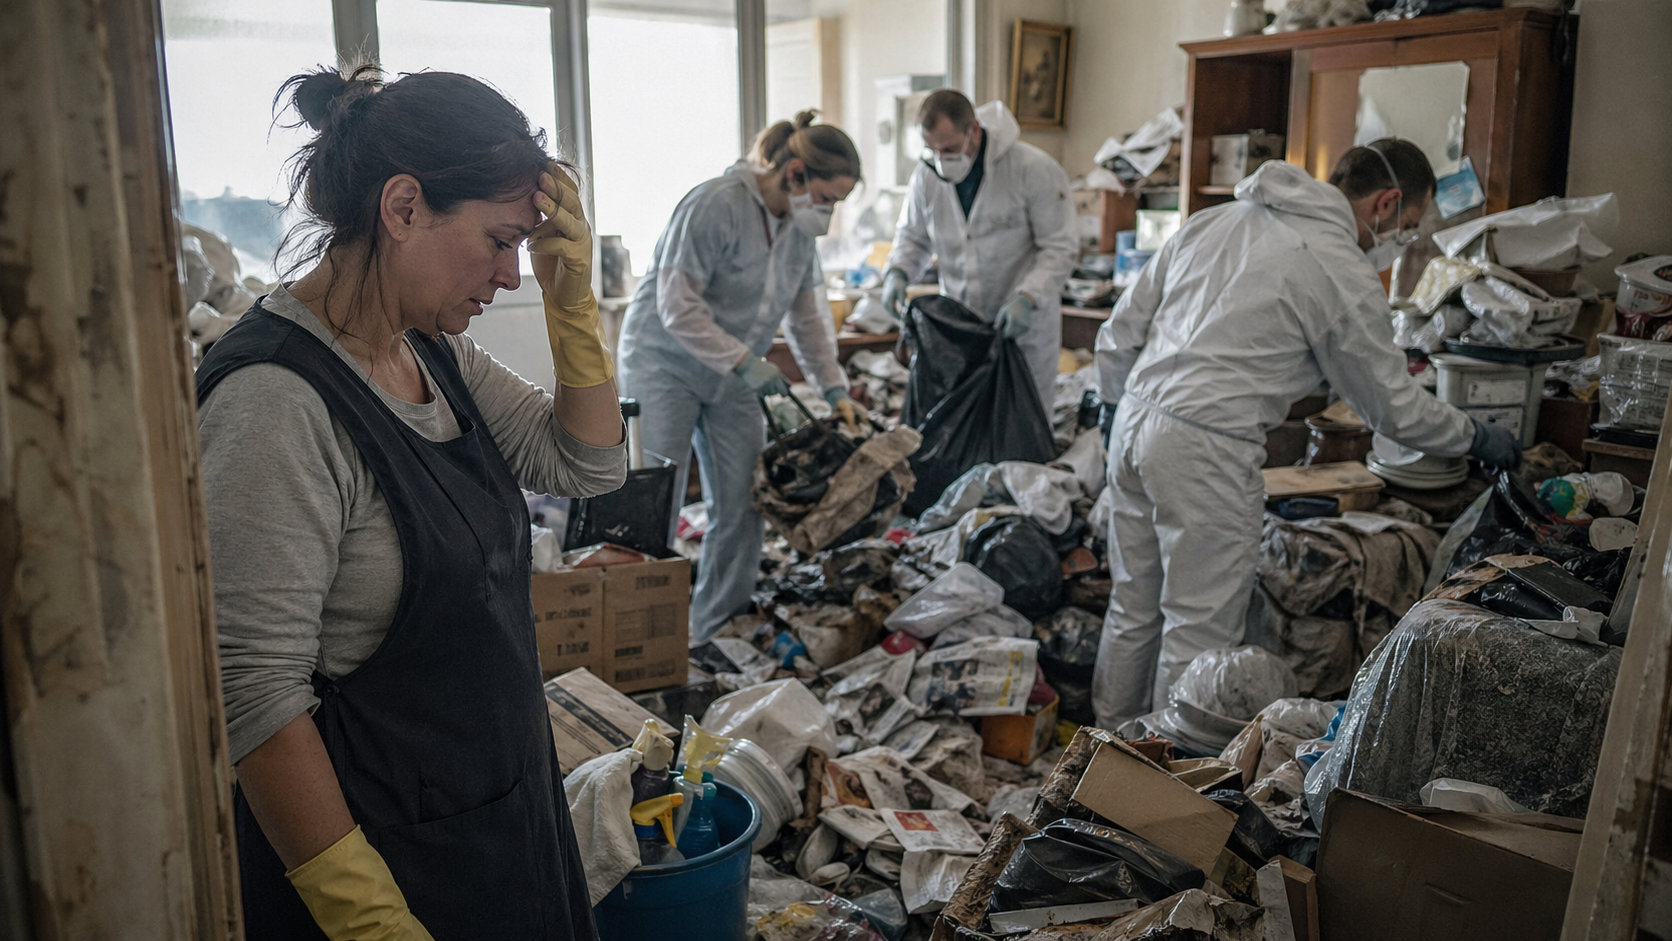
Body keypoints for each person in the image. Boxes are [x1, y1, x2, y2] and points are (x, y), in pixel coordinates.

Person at [198, 65, 625, 940]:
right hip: (388, 862)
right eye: (501, 241)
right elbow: (253, 695)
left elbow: (587, 464)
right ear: (402, 208)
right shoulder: (275, 401)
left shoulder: (430, 353)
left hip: (497, 816)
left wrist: (573, 307)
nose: (511, 275)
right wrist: (373, 921)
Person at [1090, 140, 1522, 731]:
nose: (1402, 240)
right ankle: (1149, 793)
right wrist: (1473, 435)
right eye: (1410, 226)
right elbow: (1393, 409)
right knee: (1199, 628)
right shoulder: (1337, 265)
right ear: (1387, 204)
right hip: (1206, 444)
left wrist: (1116, 405)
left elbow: (1119, 332)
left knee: (1133, 606)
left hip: (1134, 420)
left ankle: (1092, 766)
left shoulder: (1215, 220)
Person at [617, 111, 861, 642]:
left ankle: (712, 627)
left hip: (734, 377)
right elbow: (677, 306)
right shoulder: (716, 204)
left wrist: (834, 388)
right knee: (657, 497)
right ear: (795, 174)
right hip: (666, 363)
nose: (829, 213)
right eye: (827, 199)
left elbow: (807, 320)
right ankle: (641, 630)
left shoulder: (799, 234)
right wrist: (745, 361)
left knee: (746, 499)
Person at [880, 89, 1077, 410]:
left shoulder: (1032, 168)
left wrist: (1027, 297)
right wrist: (897, 272)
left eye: (950, 149)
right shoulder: (926, 178)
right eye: (932, 151)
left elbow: (1060, 247)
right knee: (964, 425)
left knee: (1020, 425)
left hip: (1022, 329)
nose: (942, 160)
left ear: (973, 129)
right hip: (960, 328)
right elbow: (913, 238)